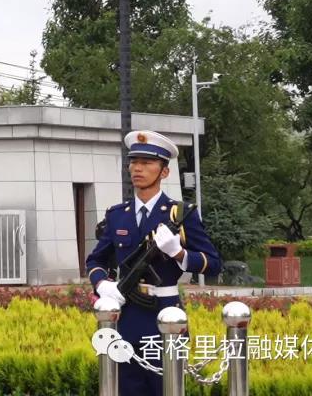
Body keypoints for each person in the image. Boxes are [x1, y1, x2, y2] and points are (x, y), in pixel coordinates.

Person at [85, 130, 222, 396]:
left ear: (164, 172)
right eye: (134, 162)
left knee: (166, 389)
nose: (137, 168)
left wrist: (179, 253)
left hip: (165, 317)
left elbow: (214, 263)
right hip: (126, 318)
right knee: (126, 389)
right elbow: (96, 260)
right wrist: (102, 285)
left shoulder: (180, 215)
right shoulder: (117, 215)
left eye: (147, 163)